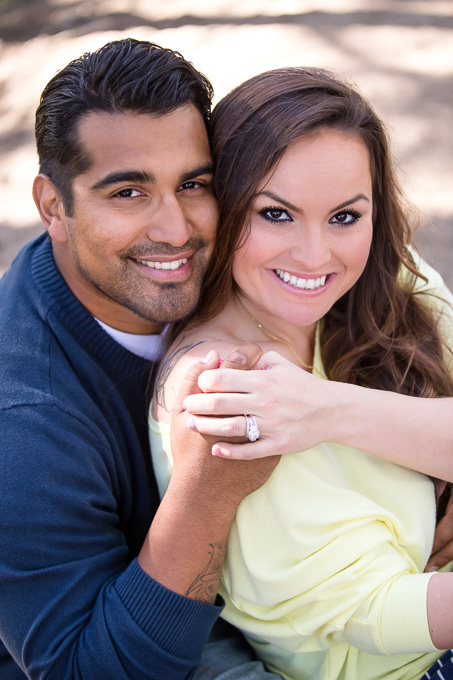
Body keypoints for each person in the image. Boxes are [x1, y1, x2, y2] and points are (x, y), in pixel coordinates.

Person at [150, 67, 453, 680]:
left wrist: (328, 409)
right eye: (276, 214)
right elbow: (372, 613)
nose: (316, 256)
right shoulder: (221, 391)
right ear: (225, 207)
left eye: (345, 216)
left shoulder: (384, 278)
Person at [0, 38, 283, 680]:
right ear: (54, 207)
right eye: (127, 193)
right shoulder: (22, 422)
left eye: (193, 184)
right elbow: (82, 670)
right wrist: (207, 493)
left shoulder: (228, 253)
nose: (176, 229)